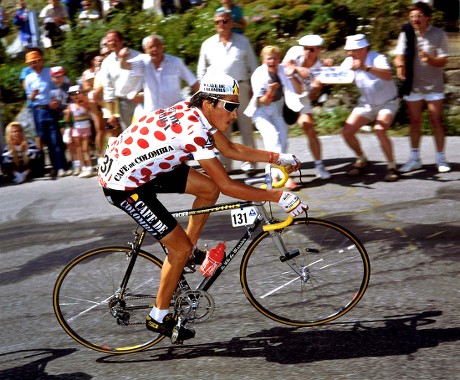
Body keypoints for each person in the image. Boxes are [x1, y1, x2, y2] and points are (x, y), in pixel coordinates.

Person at [98, 73, 308, 341]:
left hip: (141, 168)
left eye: (237, 107)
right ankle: (158, 316)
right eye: (230, 107)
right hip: (124, 185)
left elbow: (231, 149)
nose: (234, 114)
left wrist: (279, 157)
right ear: (209, 103)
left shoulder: (196, 111)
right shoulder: (194, 130)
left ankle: (186, 254)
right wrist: (278, 197)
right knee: (180, 246)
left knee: (208, 189)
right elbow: (228, 185)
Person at [197, 10, 258, 174]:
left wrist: (255, 89)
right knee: (221, 128)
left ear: (231, 22)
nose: (221, 25)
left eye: (224, 21)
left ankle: (249, 163)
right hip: (218, 93)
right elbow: (201, 72)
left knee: (245, 125)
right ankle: (225, 164)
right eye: (217, 22)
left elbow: (253, 67)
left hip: (241, 88)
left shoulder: (243, 42)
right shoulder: (207, 44)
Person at [393, 1, 450, 173]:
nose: (414, 19)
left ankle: (441, 159)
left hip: (434, 87)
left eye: (418, 16)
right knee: (415, 123)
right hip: (413, 87)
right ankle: (414, 159)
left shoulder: (439, 34)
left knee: (436, 121)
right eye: (411, 16)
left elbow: (444, 60)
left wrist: (429, 59)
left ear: (427, 18)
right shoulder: (406, 33)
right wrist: (399, 67)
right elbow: (398, 56)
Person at [339, 34, 400, 182]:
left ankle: (392, 166)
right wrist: (328, 69)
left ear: (363, 49)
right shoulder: (349, 61)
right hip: (367, 104)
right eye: (348, 50)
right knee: (347, 132)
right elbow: (337, 76)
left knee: (380, 130)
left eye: (352, 50)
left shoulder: (378, 58)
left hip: (388, 102)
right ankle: (362, 159)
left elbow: (388, 75)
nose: (349, 53)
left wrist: (365, 67)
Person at [244, 45, 304, 190]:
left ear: (279, 59)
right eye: (268, 58)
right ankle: (286, 176)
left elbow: (300, 89)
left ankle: (271, 172)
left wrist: (292, 75)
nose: (272, 61)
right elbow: (263, 101)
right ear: (263, 60)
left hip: (279, 108)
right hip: (262, 111)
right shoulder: (258, 74)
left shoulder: (284, 70)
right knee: (273, 139)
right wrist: (271, 90)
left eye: (275, 58)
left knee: (283, 142)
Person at [282, 34, 333, 180]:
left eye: (311, 50)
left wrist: (317, 89)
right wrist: (298, 69)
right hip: (285, 93)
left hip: (302, 97)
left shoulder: (320, 68)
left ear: (319, 50)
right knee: (281, 134)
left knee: (309, 127)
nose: (307, 52)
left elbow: (312, 97)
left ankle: (319, 165)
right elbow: (286, 66)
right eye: (305, 48)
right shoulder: (294, 51)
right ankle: (280, 169)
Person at [118, 34, 199, 113]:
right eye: (151, 47)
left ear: (163, 47)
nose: (155, 49)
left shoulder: (175, 62)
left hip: (175, 112)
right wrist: (122, 58)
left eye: (157, 46)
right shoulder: (143, 63)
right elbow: (125, 66)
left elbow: (193, 82)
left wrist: (198, 105)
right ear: (145, 50)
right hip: (153, 113)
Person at [23, 49, 68, 178]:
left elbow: (65, 84)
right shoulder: (29, 78)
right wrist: (33, 95)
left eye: (36, 61)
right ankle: (55, 165)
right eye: (31, 63)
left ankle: (61, 166)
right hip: (38, 110)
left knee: (55, 139)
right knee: (45, 139)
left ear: (42, 60)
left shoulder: (50, 72)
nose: (34, 64)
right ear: (28, 65)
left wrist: (58, 100)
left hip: (51, 108)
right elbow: (29, 99)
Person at [98, 30, 142, 135]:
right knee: (130, 133)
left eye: (115, 40)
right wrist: (111, 114)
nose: (112, 43)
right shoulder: (107, 62)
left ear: (122, 41)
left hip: (142, 98)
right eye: (109, 41)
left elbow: (144, 77)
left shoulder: (137, 56)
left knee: (147, 129)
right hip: (124, 103)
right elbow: (108, 88)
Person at [63, 85, 94, 178]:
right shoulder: (71, 106)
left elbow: (89, 112)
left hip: (85, 128)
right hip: (76, 128)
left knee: (85, 148)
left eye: (77, 93)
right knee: (79, 148)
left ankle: (89, 168)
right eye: (72, 94)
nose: (75, 96)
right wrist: (67, 114)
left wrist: (84, 101)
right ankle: (83, 167)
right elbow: (66, 120)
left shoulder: (85, 103)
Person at [49, 65, 74, 175]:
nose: (58, 78)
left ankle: (76, 163)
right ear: (52, 78)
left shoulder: (69, 87)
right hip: (60, 117)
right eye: (55, 77)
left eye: (60, 76)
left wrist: (69, 108)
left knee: (74, 139)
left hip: (72, 115)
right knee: (66, 140)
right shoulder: (52, 92)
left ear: (63, 76)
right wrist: (53, 106)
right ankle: (72, 162)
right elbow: (54, 107)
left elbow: (74, 100)